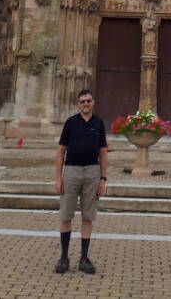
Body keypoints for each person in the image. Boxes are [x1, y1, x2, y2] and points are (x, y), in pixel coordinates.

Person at [54, 88, 108, 274]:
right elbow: (61, 150)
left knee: (88, 215)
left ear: (93, 102)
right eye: (83, 101)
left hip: (92, 171)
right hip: (72, 170)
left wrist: (103, 178)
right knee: (66, 214)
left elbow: (103, 151)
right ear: (78, 104)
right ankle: (64, 257)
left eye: (88, 100)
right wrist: (58, 177)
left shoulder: (99, 123)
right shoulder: (70, 123)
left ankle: (84, 258)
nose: (86, 104)